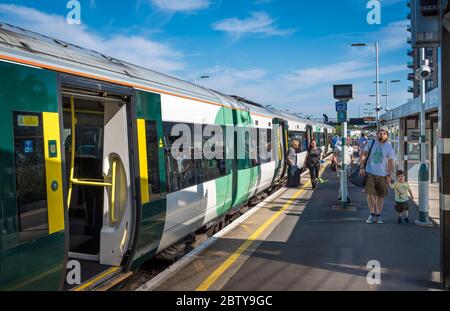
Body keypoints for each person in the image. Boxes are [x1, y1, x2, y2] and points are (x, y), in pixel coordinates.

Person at [359, 126, 396, 224]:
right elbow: (363, 154)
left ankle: (378, 214)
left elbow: (391, 162)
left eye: (384, 133)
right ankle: (372, 213)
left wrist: (389, 175)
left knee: (380, 195)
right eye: (380, 133)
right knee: (370, 194)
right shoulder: (371, 143)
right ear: (377, 134)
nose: (382, 135)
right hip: (369, 171)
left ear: (387, 135)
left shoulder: (389, 147)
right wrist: (362, 167)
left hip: (382, 174)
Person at [332, 137, 354, 201]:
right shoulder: (338, 147)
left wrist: (351, 164)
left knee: (345, 182)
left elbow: (352, 157)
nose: (348, 141)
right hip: (340, 166)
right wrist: (337, 164)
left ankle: (340, 195)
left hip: (348, 167)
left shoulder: (351, 148)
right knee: (342, 181)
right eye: (346, 140)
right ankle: (346, 196)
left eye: (349, 140)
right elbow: (334, 156)